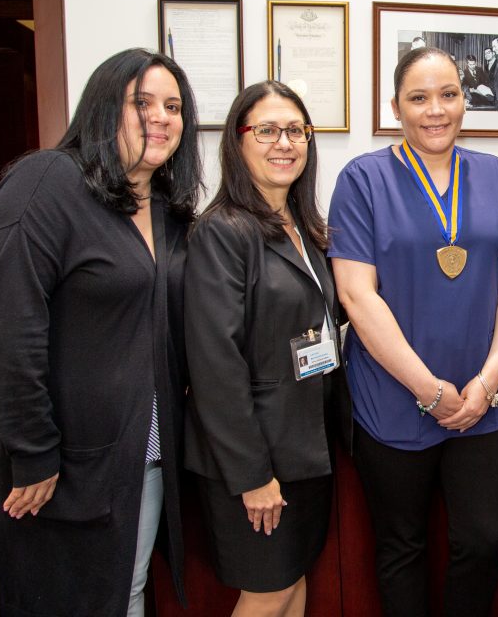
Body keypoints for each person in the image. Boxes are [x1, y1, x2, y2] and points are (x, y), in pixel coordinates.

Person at [0, 48, 201, 616]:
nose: (161, 117)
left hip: (140, 450)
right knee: (58, 598)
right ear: (101, 106)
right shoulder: (46, 180)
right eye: (141, 102)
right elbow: (9, 329)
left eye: (173, 106)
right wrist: (33, 452)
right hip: (56, 459)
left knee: (128, 587)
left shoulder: (166, 207)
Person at [329, 46, 498, 616]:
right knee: (401, 548)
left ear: (466, 102)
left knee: (484, 541)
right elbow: (355, 294)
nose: (435, 109)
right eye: (418, 97)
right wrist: (429, 389)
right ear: (395, 107)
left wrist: (488, 381)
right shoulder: (363, 179)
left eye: (448, 94)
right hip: (393, 401)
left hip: (483, 400)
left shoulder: (495, 176)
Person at [184, 81, 346, 617]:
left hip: (304, 448)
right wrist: (252, 475)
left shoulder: (303, 226)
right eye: (268, 130)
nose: (285, 143)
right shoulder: (221, 232)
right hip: (254, 460)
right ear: (238, 140)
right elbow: (215, 365)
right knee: (267, 592)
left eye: (296, 130)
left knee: (293, 582)